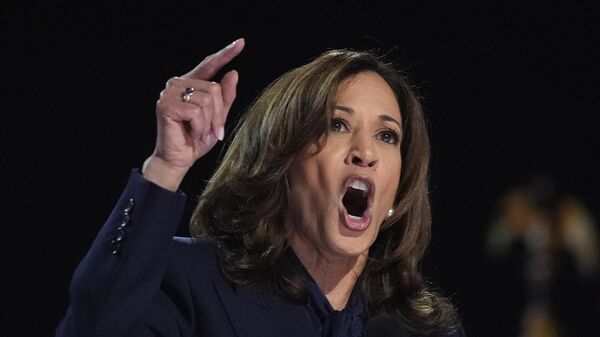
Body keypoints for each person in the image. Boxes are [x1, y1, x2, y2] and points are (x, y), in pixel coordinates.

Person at [55, 38, 465, 337]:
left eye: (387, 136)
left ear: (398, 190)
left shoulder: (424, 327)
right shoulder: (194, 283)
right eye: (337, 124)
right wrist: (166, 166)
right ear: (282, 162)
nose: (365, 152)